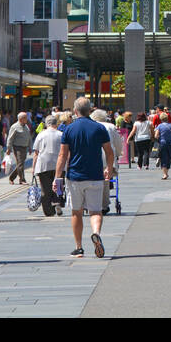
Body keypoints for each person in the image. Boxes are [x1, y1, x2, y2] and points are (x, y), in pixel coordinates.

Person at [54, 97, 115, 257]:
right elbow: (109, 152)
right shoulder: (99, 128)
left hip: (75, 176)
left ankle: (79, 247)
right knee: (95, 211)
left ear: (75, 111)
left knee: (76, 212)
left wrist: (57, 177)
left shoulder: (69, 129)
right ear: (90, 110)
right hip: (95, 175)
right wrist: (108, 168)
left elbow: (62, 154)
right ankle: (96, 233)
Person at [31, 114, 64, 216]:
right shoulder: (61, 134)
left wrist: (33, 168)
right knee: (58, 185)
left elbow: (36, 153)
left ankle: (48, 211)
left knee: (45, 189)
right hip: (59, 164)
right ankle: (58, 202)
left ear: (46, 124)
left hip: (43, 164)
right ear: (56, 124)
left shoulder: (41, 135)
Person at [91, 110, 123, 212]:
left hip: (92, 157)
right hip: (107, 156)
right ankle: (104, 205)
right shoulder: (110, 126)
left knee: (91, 180)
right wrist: (118, 154)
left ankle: (92, 202)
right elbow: (118, 143)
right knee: (105, 181)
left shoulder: (90, 126)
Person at [5, 111, 32, 184]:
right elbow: (10, 138)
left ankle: (11, 178)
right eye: (25, 118)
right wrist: (8, 148)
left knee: (21, 164)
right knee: (20, 163)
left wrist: (30, 147)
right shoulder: (14, 127)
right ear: (21, 119)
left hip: (25, 147)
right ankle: (22, 180)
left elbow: (29, 137)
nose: (27, 119)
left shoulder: (26, 126)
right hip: (17, 147)